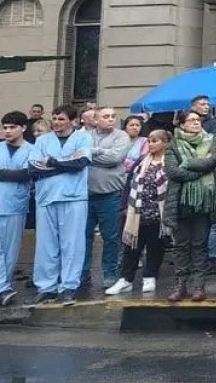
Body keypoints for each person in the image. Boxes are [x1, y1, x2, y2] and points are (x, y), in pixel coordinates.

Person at [28, 105, 92, 306]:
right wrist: (65, 163)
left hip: (73, 197)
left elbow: (80, 164)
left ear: (73, 121)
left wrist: (52, 162)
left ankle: (69, 286)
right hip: (46, 197)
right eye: (54, 118)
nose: (56, 122)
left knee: (72, 244)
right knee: (45, 245)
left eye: (61, 119)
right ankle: (46, 287)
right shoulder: (42, 140)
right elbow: (33, 169)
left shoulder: (83, 138)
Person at [105, 129, 171, 297]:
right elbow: (129, 183)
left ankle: (150, 276)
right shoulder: (141, 161)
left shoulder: (169, 162)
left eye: (155, 141)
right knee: (131, 246)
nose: (151, 144)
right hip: (137, 212)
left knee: (155, 246)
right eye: (149, 141)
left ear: (165, 143)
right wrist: (125, 206)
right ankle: (125, 279)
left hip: (158, 213)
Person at [164, 111, 216, 303]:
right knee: (181, 245)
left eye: (198, 120)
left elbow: (212, 162)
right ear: (182, 124)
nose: (196, 123)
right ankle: (180, 285)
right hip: (180, 201)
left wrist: (187, 164)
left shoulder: (211, 141)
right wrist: (199, 171)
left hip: (204, 203)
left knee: (200, 245)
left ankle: (198, 286)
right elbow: (173, 172)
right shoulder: (173, 144)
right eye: (192, 120)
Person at [83, 106, 130, 289]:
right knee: (84, 236)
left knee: (111, 237)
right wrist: (100, 152)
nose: (110, 119)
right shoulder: (85, 136)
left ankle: (110, 273)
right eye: (106, 116)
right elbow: (78, 155)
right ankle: (83, 273)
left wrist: (91, 153)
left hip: (111, 194)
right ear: (96, 120)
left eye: (113, 116)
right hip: (86, 194)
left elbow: (115, 158)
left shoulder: (121, 136)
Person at [0, 111, 32, 306]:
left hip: (15, 206)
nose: (8, 131)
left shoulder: (32, 150)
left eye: (12, 127)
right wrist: (14, 174)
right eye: (5, 127)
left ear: (23, 128)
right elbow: (20, 174)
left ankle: (5, 286)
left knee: (10, 251)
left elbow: (28, 173)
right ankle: (3, 288)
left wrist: (4, 173)